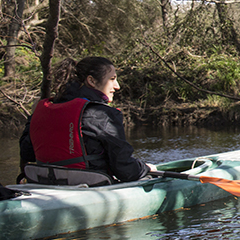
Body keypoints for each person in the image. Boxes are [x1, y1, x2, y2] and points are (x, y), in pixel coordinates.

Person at [19, 56, 152, 185]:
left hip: (45, 183)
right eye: (112, 79)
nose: (117, 86)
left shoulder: (43, 109)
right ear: (92, 81)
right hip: (89, 186)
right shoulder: (102, 113)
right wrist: (145, 169)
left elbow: (27, 153)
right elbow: (126, 170)